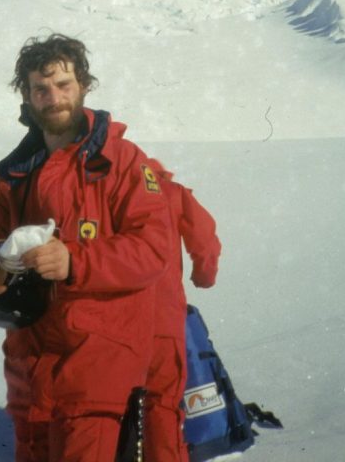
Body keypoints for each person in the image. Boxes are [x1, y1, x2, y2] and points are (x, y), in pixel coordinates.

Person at [0, 34, 171, 462]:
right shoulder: (13, 173)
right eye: (40, 88)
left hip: (96, 364)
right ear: (27, 97)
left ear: (84, 86)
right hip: (29, 367)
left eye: (63, 85)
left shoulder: (122, 161)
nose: (53, 98)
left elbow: (152, 249)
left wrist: (74, 260)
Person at [143, 158, 221, 462]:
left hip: (111, 313)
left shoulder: (103, 189)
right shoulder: (171, 192)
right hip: (163, 311)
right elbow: (205, 239)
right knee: (162, 397)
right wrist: (204, 274)